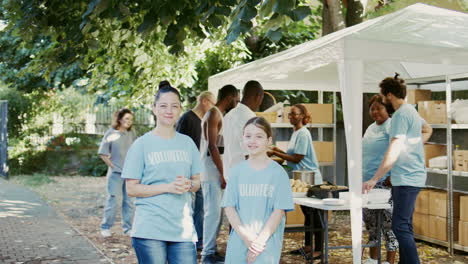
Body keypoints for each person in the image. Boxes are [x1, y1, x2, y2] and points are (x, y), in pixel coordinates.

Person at [122, 85, 202, 264]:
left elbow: (197, 182)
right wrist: (168, 187)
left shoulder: (187, 143)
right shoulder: (141, 145)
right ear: (154, 108)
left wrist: (188, 185)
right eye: (164, 106)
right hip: (150, 229)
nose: (169, 111)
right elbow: (131, 189)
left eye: (174, 106)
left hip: (183, 230)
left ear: (180, 109)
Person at [363, 74, 428, 264]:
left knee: (399, 227)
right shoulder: (411, 111)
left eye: (382, 97)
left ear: (389, 95)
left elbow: (394, 149)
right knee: (404, 225)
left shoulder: (400, 114)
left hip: (407, 178)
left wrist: (375, 178)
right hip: (409, 177)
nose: (383, 100)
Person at [222, 117, 294, 264]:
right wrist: (247, 238)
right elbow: (229, 208)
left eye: (259, 136)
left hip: (265, 244)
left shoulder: (278, 174)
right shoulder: (236, 171)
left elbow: (278, 211)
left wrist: (258, 242)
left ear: (269, 141)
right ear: (242, 139)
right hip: (240, 241)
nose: (252, 141)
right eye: (248, 136)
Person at [269, 104, 323, 260]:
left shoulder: (303, 133)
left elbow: (297, 157)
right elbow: (290, 155)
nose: (290, 116)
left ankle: (319, 249)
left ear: (302, 116)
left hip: (311, 178)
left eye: (294, 114)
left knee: (315, 215)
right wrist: (276, 150)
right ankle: (308, 246)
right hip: (301, 177)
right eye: (289, 114)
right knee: (307, 214)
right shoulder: (295, 133)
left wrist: (274, 152)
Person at [200, 85, 239, 264]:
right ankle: (207, 254)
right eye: (236, 99)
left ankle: (212, 250)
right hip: (211, 170)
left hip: (218, 169)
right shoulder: (214, 113)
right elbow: (212, 145)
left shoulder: (220, 114)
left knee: (219, 214)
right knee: (212, 213)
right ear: (230, 97)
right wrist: (223, 174)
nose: (237, 102)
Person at [176, 91, 216, 250]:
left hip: (200, 169)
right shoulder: (187, 118)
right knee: (187, 205)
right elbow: (178, 143)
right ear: (205, 101)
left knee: (201, 205)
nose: (213, 108)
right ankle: (189, 237)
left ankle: (199, 238)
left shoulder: (205, 120)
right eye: (213, 104)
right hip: (188, 169)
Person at [362, 95, 398, 264]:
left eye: (379, 108)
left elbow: (398, 151)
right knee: (371, 227)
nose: (375, 112)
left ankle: (389, 261)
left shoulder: (391, 125)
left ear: (387, 109)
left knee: (389, 227)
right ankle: (372, 259)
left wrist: (393, 175)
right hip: (367, 184)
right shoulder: (370, 128)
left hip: (384, 184)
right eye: (372, 108)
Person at [98, 108, 137, 237]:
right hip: (115, 174)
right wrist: (114, 167)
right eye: (126, 119)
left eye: (131, 119)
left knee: (129, 202)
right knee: (113, 200)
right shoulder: (110, 134)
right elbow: (103, 154)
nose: (129, 122)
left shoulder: (132, 134)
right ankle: (105, 227)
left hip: (130, 174)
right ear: (119, 119)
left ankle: (128, 228)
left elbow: (137, 152)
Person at [223, 80, 264, 180]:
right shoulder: (249, 117)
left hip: (229, 173)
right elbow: (249, 152)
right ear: (258, 97)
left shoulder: (229, 115)